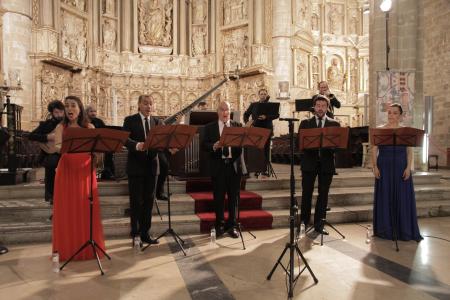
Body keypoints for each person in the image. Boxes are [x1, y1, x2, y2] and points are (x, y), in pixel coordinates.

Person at [52, 96, 106, 261]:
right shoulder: (61, 127)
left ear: (80, 108)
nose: (69, 109)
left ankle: (87, 247)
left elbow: (97, 148)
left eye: (73, 105)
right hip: (67, 169)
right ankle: (68, 248)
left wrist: (97, 155)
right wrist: (66, 149)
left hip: (85, 169)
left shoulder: (89, 126)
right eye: (67, 106)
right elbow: (57, 147)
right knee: (67, 208)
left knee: (84, 206)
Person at [372, 103, 422, 241]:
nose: (391, 115)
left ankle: (403, 229)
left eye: (394, 113)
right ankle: (385, 229)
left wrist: (408, 168)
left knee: (402, 196)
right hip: (384, 165)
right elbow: (374, 149)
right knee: (385, 195)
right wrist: (375, 166)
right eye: (389, 112)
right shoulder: (379, 130)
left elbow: (409, 150)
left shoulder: (405, 131)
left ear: (400, 115)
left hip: (401, 166)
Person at [123, 95, 162, 246]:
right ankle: (135, 233)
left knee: (149, 201)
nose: (148, 106)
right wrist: (137, 145)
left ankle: (146, 233)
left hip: (152, 167)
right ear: (139, 105)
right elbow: (125, 139)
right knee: (136, 202)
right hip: (136, 167)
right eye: (145, 104)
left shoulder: (157, 122)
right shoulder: (130, 120)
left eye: (151, 104)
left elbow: (162, 140)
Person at [298, 95, 340, 235]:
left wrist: (330, 145)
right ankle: (304, 221)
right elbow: (300, 144)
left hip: (327, 163)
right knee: (307, 194)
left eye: (323, 106)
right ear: (314, 107)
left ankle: (319, 224)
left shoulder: (334, 124)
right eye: (318, 105)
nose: (320, 108)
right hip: (309, 163)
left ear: (327, 108)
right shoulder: (305, 123)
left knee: (323, 194)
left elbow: (338, 146)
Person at [202, 101, 243, 239]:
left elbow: (242, 147)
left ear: (230, 112)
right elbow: (204, 145)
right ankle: (219, 225)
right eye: (222, 109)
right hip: (218, 165)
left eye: (227, 110)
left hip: (233, 166)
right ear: (217, 112)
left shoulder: (238, 126)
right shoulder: (209, 127)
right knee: (218, 197)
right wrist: (213, 146)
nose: (225, 112)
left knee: (233, 198)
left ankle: (232, 225)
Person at [28, 100, 65, 204]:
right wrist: (47, 137)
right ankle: (51, 195)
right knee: (51, 163)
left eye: (61, 112)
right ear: (52, 113)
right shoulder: (47, 124)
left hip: (65, 152)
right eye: (56, 112)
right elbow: (31, 136)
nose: (59, 115)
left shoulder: (67, 123)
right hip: (51, 152)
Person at [243, 88, 279, 177]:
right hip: (256, 129)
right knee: (256, 150)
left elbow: (276, 115)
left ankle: (264, 170)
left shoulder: (271, 105)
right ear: (258, 95)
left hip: (267, 129)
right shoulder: (254, 104)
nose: (263, 95)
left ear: (267, 95)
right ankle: (256, 169)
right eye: (261, 94)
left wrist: (266, 117)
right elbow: (246, 114)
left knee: (266, 150)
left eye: (264, 94)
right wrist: (248, 123)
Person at [85, 105, 114, 179]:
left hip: (99, 143)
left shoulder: (99, 121)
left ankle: (108, 170)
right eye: (91, 111)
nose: (93, 113)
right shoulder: (83, 121)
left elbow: (105, 131)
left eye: (95, 111)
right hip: (86, 144)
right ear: (86, 112)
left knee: (109, 149)